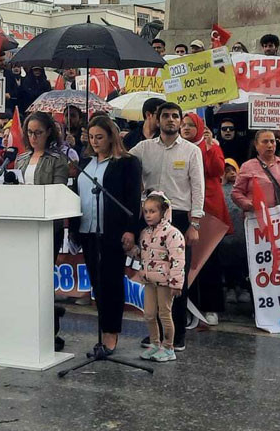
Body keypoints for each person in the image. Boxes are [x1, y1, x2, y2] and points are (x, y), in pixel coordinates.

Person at [129, 102, 204, 351]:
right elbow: (123, 159)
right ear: (157, 120)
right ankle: (156, 335)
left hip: (179, 219)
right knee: (153, 277)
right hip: (150, 218)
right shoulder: (144, 148)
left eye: (175, 116)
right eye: (165, 116)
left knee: (175, 279)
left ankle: (177, 334)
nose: (170, 120)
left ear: (180, 121)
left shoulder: (192, 151)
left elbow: (198, 188)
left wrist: (194, 223)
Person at [73, 116, 143, 355]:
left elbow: (133, 198)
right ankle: (103, 329)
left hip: (113, 231)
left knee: (111, 282)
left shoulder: (127, 162)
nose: (94, 142)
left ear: (112, 137)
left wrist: (131, 229)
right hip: (87, 230)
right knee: (97, 283)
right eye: (91, 137)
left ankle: (111, 333)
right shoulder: (86, 162)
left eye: (100, 137)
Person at [14, 111, 72, 349]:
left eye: (38, 132)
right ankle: (26, 326)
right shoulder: (21, 158)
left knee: (43, 277)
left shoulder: (57, 159)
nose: (33, 137)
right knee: (25, 278)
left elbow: (58, 191)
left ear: (49, 132)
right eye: (29, 132)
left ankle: (50, 330)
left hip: (48, 226)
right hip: (24, 225)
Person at [181, 113, 228, 327]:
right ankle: (188, 307)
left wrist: (209, 148)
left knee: (209, 262)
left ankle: (211, 307)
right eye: (183, 125)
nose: (186, 128)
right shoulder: (178, 147)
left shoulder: (212, 146)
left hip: (209, 211)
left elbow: (216, 170)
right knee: (187, 261)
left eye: (191, 125)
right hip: (186, 209)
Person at [128, 192, 185, 363]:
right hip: (149, 281)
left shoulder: (173, 234)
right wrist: (132, 251)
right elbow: (144, 255)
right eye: (146, 211)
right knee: (149, 314)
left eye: (152, 211)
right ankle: (154, 344)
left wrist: (176, 283)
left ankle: (168, 347)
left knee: (165, 314)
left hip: (165, 282)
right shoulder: (145, 233)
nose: (148, 215)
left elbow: (178, 260)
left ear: (163, 212)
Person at [232, 128, 280, 211]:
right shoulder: (247, 166)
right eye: (265, 142)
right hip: (256, 215)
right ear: (256, 145)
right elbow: (236, 192)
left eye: (272, 141)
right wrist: (248, 204)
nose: (269, 145)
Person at [217, 159, 250, 305]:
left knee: (243, 262)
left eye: (233, 170)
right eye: (227, 171)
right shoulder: (218, 189)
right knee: (227, 261)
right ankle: (230, 288)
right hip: (226, 235)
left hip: (243, 234)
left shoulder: (245, 189)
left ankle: (243, 288)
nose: (231, 173)